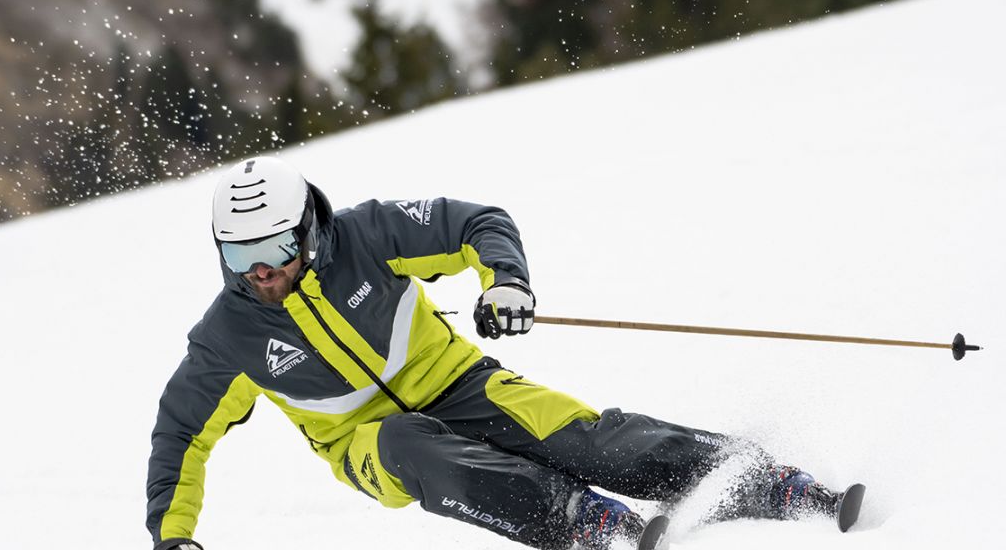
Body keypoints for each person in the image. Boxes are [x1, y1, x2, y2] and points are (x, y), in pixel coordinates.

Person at [146, 156, 846, 550]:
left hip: (460, 382)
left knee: (586, 437)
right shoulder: (228, 336)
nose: (258, 271)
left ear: (308, 231)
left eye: (271, 249)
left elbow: (476, 223)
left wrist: (504, 282)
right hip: (366, 444)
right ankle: (583, 523)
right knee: (409, 443)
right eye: (238, 254)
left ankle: (761, 480)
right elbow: (181, 435)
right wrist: (172, 537)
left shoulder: (365, 237)